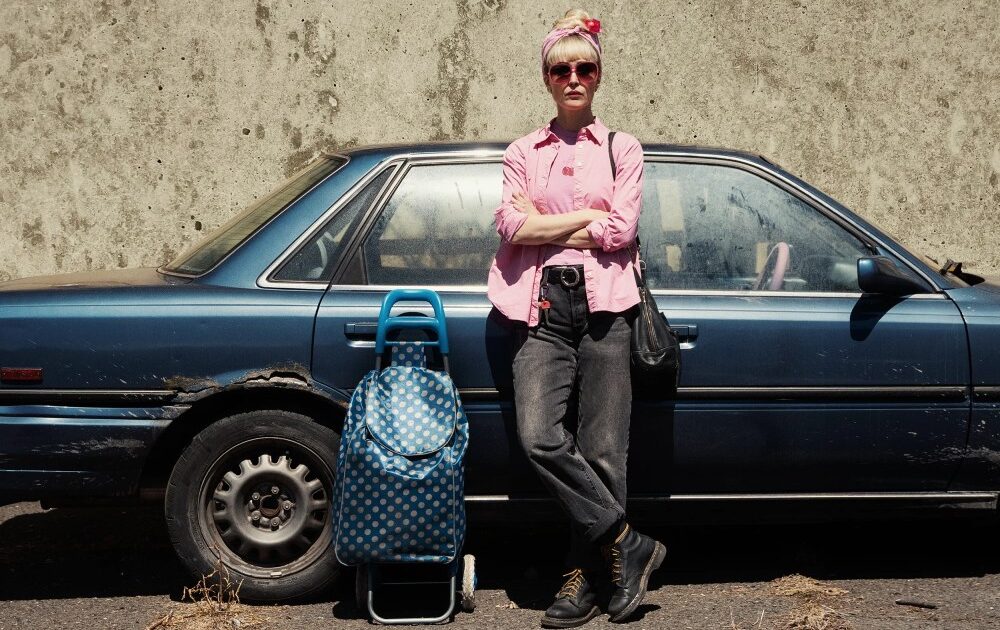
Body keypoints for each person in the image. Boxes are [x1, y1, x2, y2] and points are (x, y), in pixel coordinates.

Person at [486, 8, 666, 628]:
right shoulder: (523, 151)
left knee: (603, 451)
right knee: (539, 436)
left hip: (606, 311)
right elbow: (511, 226)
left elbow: (622, 230)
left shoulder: (622, 148)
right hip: (541, 308)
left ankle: (588, 574)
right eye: (560, 69)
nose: (573, 78)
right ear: (546, 78)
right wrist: (585, 218)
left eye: (584, 68)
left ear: (598, 75)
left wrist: (545, 222)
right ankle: (627, 542)